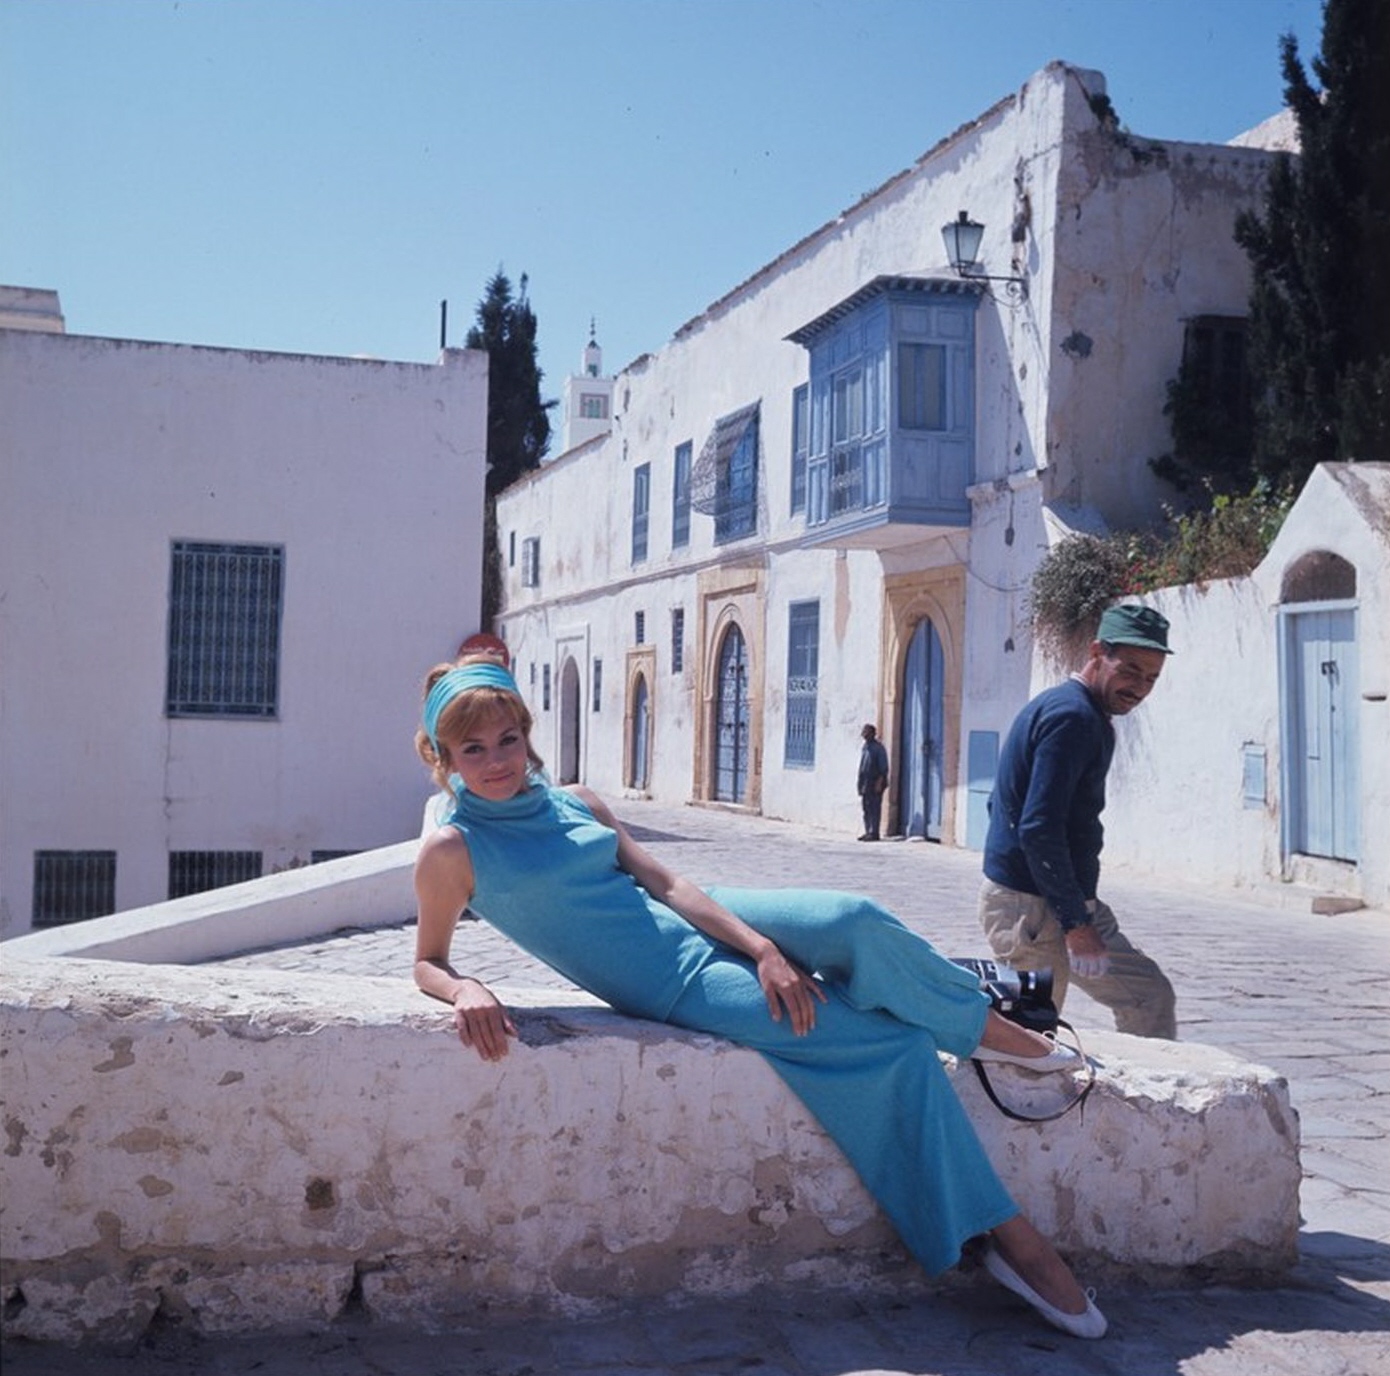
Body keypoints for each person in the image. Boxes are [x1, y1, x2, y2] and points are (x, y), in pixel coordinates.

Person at [412, 658, 1108, 1339]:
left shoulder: (577, 802)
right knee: (889, 1046)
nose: (497, 760)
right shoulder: (453, 848)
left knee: (853, 918)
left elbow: (668, 885)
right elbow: (427, 961)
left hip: (701, 918)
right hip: (672, 979)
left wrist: (763, 947)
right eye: (473, 749)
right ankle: (1015, 1243)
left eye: (508, 739)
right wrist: (465, 986)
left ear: (526, 734)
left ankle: (982, 1025)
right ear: (443, 757)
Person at [979, 604, 1178, 1039]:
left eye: (1151, 678)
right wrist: (1075, 924)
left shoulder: (1079, 713)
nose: (1139, 687)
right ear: (1097, 653)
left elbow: (1005, 807)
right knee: (1030, 1039)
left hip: (1064, 900)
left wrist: (1077, 909)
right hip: (1032, 909)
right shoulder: (1072, 717)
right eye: (1130, 670)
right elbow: (1038, 827)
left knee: (1149, 996)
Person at [856, 723, 890, 841]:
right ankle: (868, 831)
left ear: (873, 734)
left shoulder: (878, 748)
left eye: (867, 733)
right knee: (866, 808)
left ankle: (874, 832)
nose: (864, 735)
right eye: (864, 733)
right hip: (865, 782)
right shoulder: (865, 747)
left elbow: (883, 768)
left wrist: (879, 783)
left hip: (875, 782)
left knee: (874, 808)